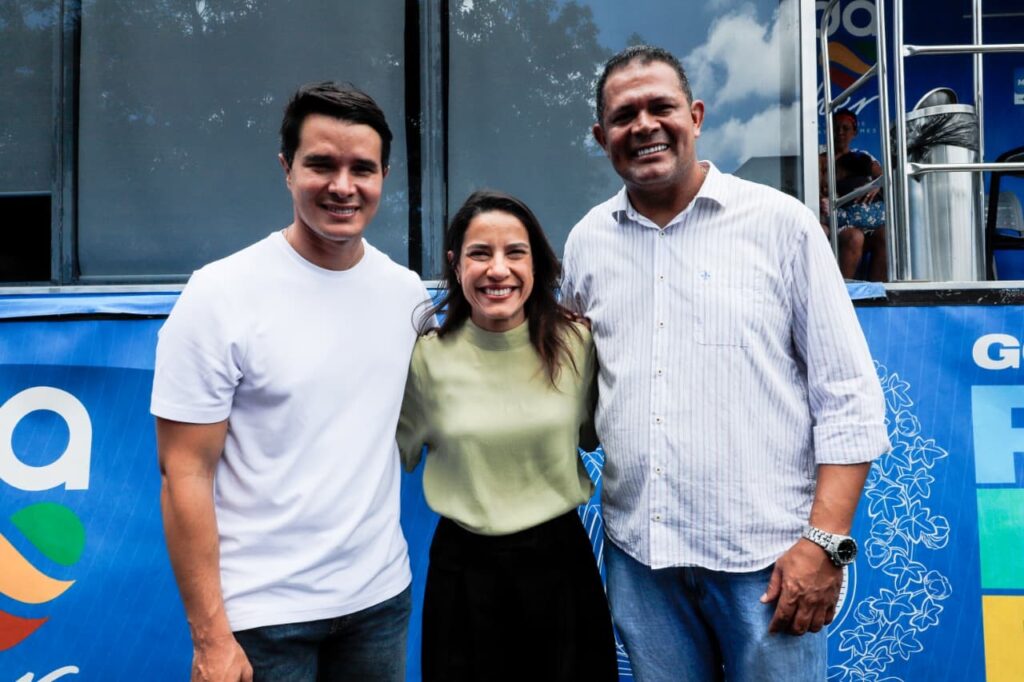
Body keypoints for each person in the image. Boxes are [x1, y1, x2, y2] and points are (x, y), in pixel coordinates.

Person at [560, 46, 889, 681]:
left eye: (661, 107)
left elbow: (848, 395)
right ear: (602, 137)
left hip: (767, 567)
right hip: (641, 564)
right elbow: (576, 386)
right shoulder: (587, 243)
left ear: (696, 116)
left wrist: (824, 545)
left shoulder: (781, 225)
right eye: (624, 116)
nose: (644, 126)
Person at [151, 82, 428, 682]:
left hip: (380, 602)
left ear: (384, 176)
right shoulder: (219, 295)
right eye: (321, 165)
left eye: (362, 168)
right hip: (262, 620)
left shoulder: (406, 295)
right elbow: (183, 474)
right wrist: (211, 638)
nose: (343, 186)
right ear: (286, 168)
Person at [398, 190, 618, 681]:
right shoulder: (425, 358)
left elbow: (591, 436)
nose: (498, 270)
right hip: (463, 574)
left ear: (536, 264)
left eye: (515, 253)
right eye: (480, 253)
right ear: (456, 265)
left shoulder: (576, 344)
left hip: (560, 567)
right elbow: (395, 450)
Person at [821, 109, 888, 280]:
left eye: (846, 128)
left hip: (864, 220)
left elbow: (883, 177)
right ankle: (843, 291)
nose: (840, 132)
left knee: (886, 235)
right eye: (836, 128)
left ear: (855, 132)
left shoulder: (862, 156)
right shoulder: (819, 158)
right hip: (836, 220)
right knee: (854, 237)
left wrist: (876, 185)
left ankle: (876, 290)